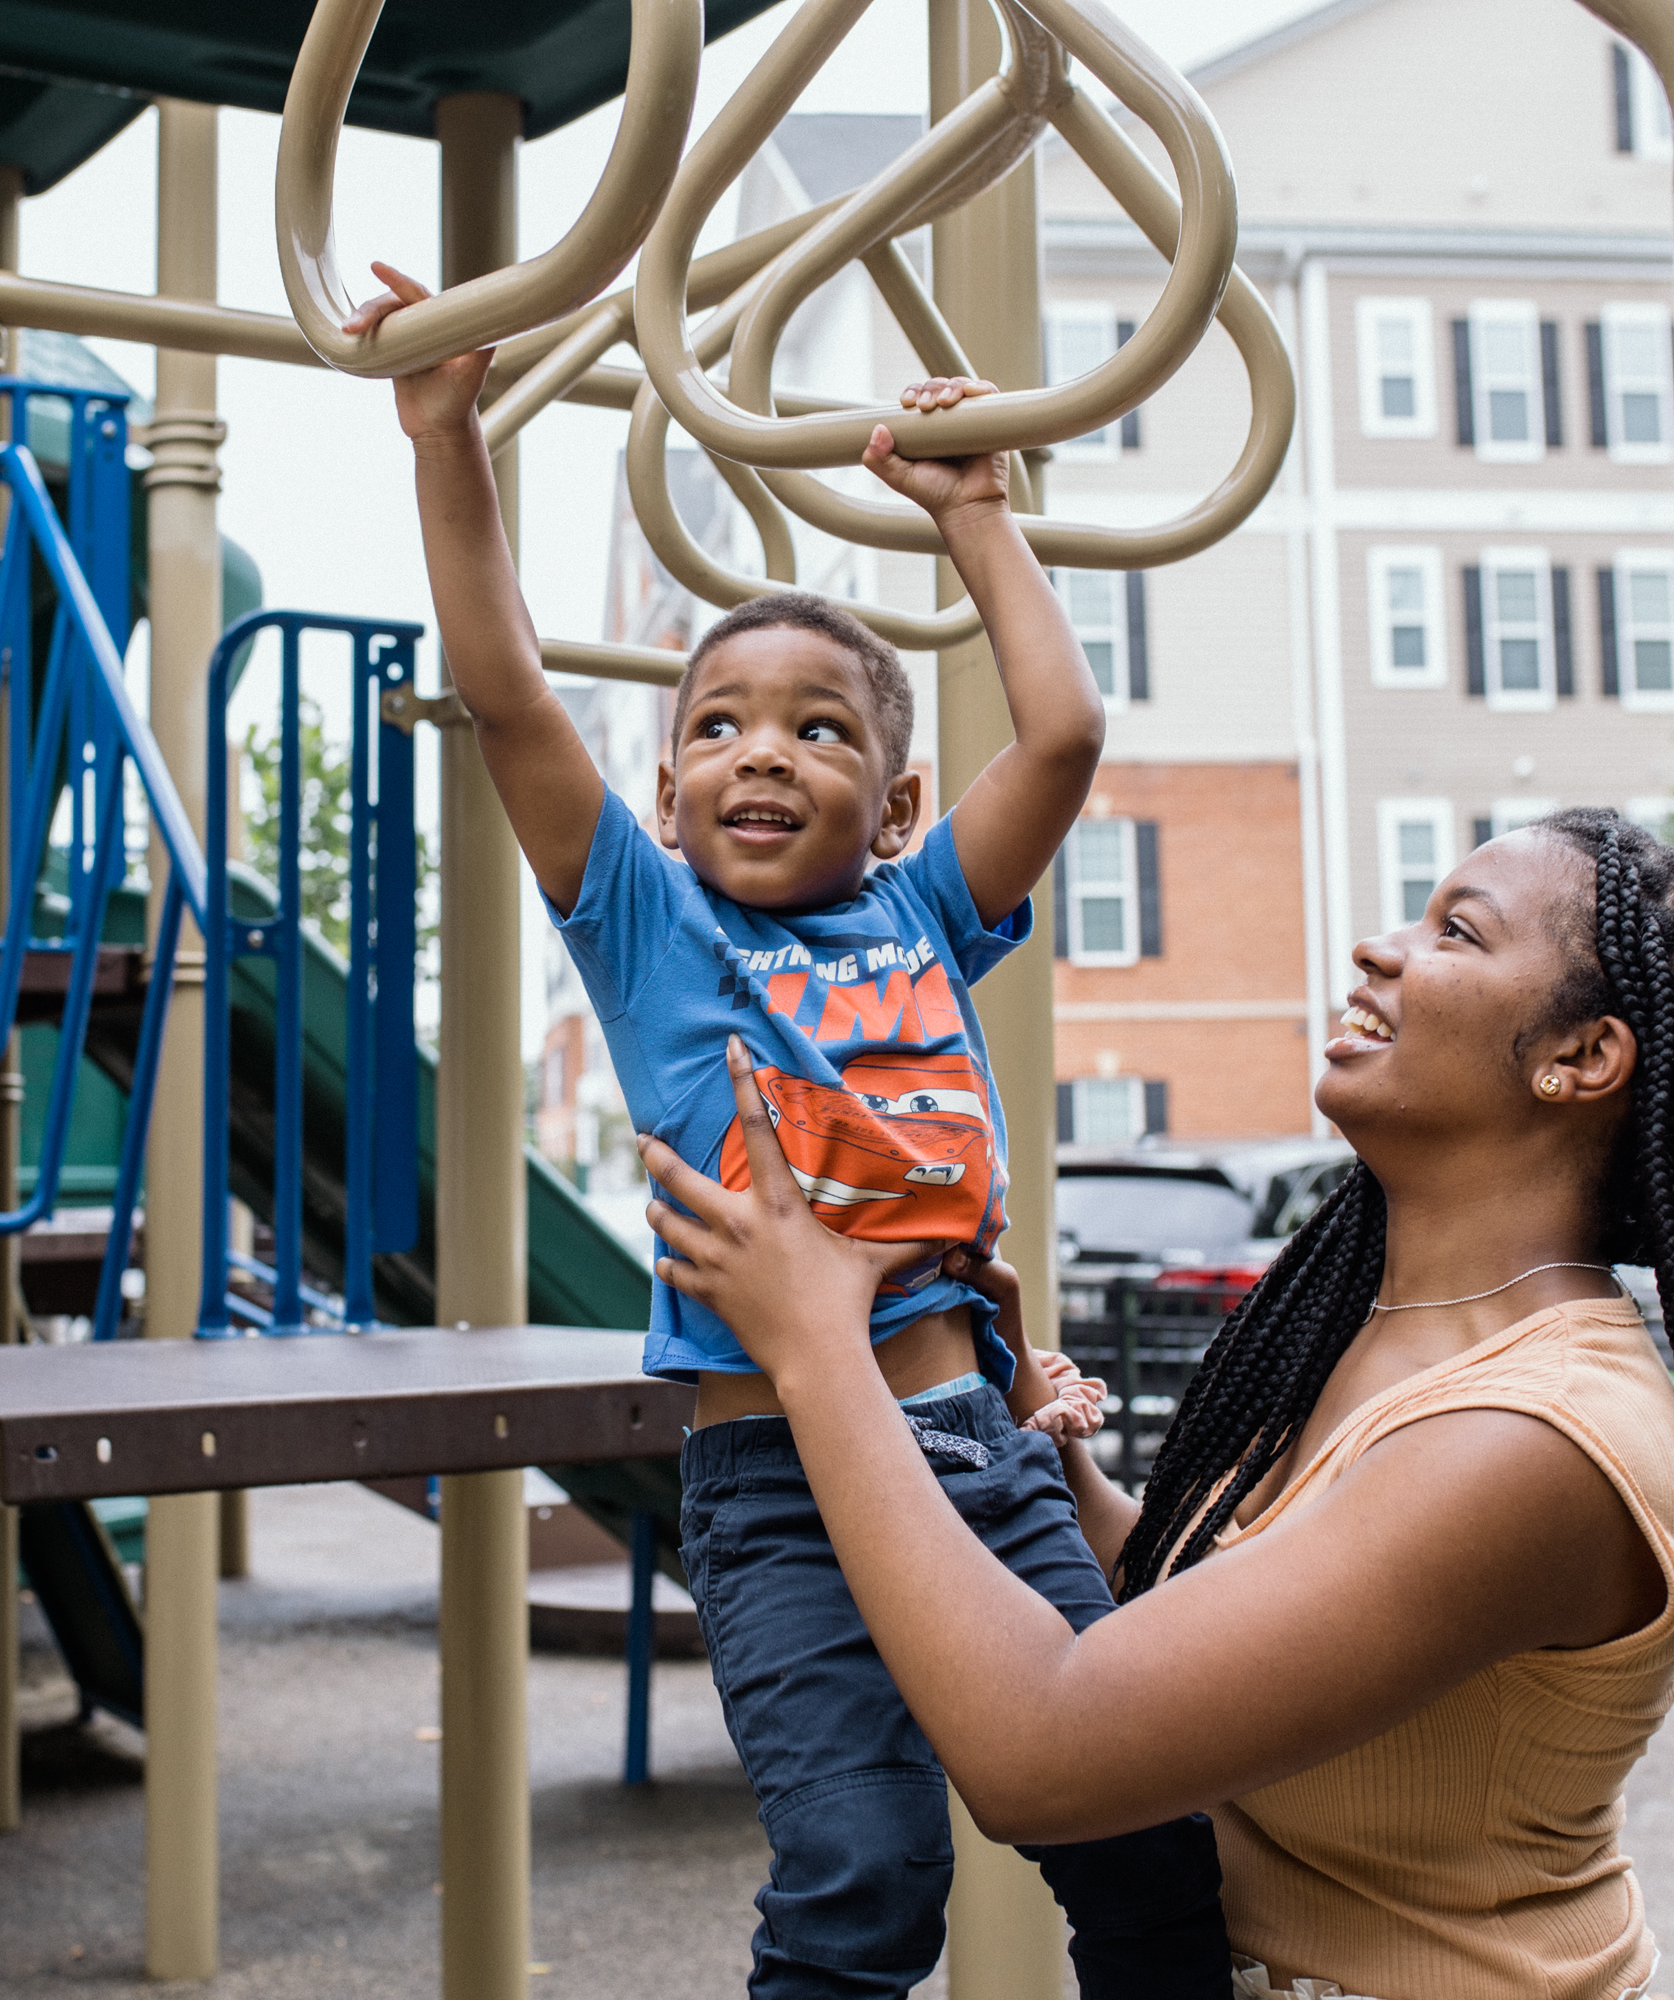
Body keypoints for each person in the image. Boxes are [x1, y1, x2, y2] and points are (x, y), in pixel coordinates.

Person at [640, 809, 1674, 2000]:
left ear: (1582, 1056)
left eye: (1455, 932)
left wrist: (815, 1350)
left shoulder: (1533, 1441)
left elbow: (1042, 1750)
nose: (1379, 951)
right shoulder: (1366, 1327)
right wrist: (1012, 1425)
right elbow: (1198, 1610)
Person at [353, 266, 1222, 1998]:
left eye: (818, 730)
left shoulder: (925, 914)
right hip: (776, 1489)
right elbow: (510, 689)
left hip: (977, 1456)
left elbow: (1062, 732)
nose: (762, 754)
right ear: (667, 790)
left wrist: (975, 516)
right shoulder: (648, 923)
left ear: (893, 801)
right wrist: (447, 433)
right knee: (864, 1874)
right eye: (719, 729)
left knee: (1144, 1836)